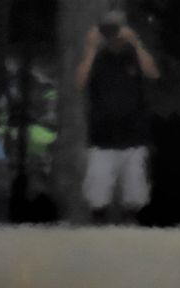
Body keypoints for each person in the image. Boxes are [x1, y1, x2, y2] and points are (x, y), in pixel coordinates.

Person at [75, 10, 159, 224]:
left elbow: (152, 73)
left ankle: (130, 232)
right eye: (109, 30)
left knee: (134, 196)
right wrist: (91, 48)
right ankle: (98, 229)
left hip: (133, 136)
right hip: (102, 138)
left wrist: (136, 42)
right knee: (97, 195)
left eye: (117, 29)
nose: (114, 35)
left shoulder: (134, 56)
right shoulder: (97, 57)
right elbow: (79, 82)